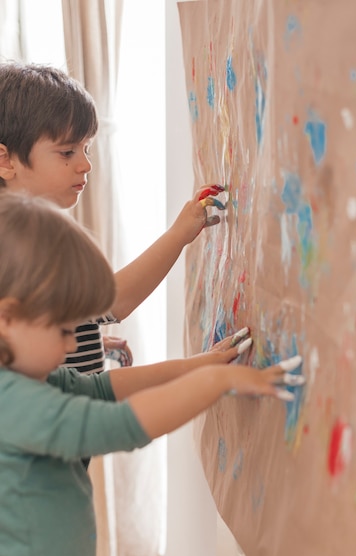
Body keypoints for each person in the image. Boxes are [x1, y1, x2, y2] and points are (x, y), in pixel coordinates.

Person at [0, 191, 305, 556]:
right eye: (64, 330)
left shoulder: (28, 378)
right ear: (8, 318)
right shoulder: (13, 403)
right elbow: (119, 424)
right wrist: (216, 380)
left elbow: (102, 389)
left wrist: (196, 365)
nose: (73, 345)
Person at [0, 60, 225, 375]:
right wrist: (177, 236)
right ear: (5, 160)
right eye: (67, 152)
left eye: (87, 149)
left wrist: (86, 338)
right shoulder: (26, 240)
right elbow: (112, 302)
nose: (85, 165)